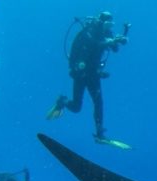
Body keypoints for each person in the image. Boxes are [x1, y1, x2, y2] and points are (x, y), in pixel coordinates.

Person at [46, 11, 129, 141]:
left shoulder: (107, 33)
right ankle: (62, 101)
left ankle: (99, 132)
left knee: (98, 102)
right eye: (107, 24)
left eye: (111, 24)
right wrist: (111, 41)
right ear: (101, 22)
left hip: (94, 74)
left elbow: (114, 49)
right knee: (76, 107)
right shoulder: (89, 31)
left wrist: (121, 38)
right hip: (80, 74)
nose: (109, 27)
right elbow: (95, 43)